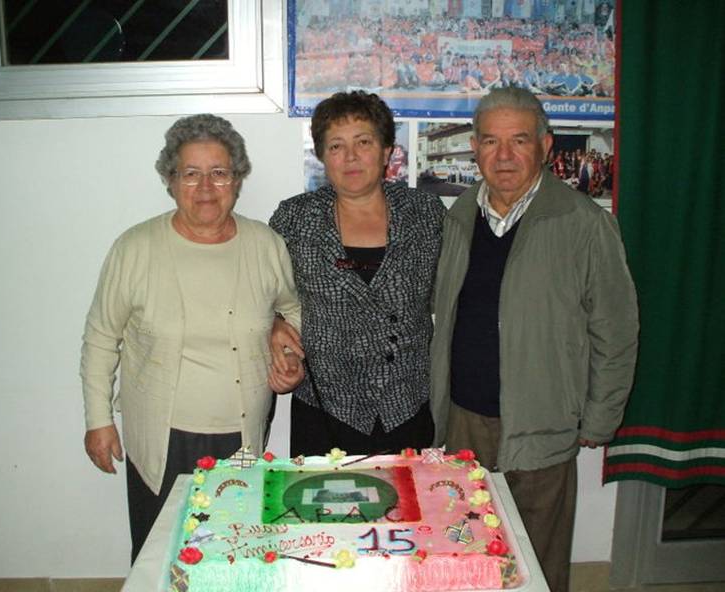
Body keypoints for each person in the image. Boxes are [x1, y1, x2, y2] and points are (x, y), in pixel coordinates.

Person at [429, 88, 638, 592]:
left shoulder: (583, 223)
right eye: (491, 141)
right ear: (474, 148)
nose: (504, 155)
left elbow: (616, 329)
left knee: (535, 567)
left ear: (544, 146)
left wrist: (600, 416)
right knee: (466, 555)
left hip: (542, 425)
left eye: (519, 140)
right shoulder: (458, 218)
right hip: (463, 423)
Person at [80, 114, 301, 563]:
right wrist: (98, 420)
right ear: (170, 179)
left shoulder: (265, 245)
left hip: (241, 437)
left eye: (219, 173)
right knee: (161, 555)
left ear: (237, 179)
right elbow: (101, 338)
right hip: (161, 438)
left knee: (230, 552)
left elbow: (291, 308)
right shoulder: (135, 248)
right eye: (190, 174)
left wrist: (287, 344)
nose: (205, 188)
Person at [270, 91, 446, 457]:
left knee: (407, 496)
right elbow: (261, 293)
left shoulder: (427, 214)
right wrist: (274, 325)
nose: (350, 156)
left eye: (363, 142)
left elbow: (453, 292)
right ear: (322, 156)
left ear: (386, 151)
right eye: (336, 146)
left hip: (407, 406)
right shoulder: (294, 218)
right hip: (324, 409)